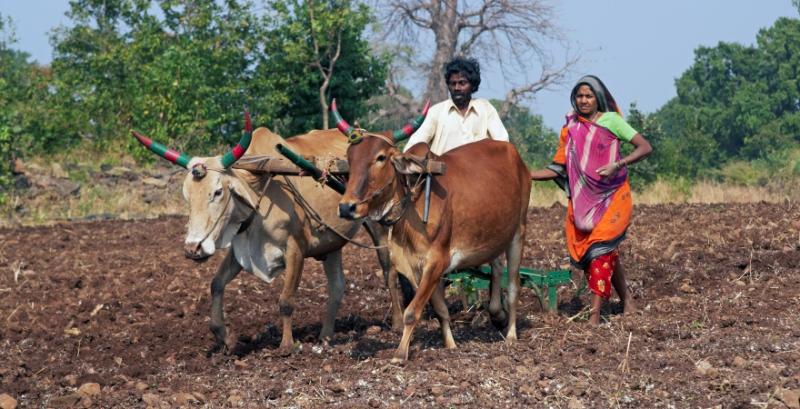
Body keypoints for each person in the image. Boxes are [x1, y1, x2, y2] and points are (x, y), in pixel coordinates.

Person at [530, 75, 652, 325]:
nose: (583, 100)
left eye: (588, 96)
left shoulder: (612, 121)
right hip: (583, 201)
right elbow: (558, 167)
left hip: (613, 196)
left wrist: (617, 164)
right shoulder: (570, 127)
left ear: (598, 98)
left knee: (600, 251)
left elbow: (644, 147)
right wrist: (525, 174)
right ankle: (627, 300)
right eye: (579, 96)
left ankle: (594, 315)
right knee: (603, 251)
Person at [404, 57, 509, 154]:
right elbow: (413, 146)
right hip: (444, 173)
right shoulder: (436, 112)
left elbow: (503, 145)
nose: (457, 88)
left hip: (480, 172)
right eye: (452, 84)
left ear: (472, 85)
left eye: (462, 83)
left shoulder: (486, 109)